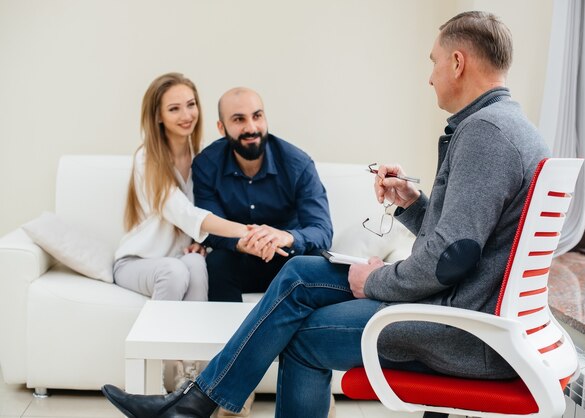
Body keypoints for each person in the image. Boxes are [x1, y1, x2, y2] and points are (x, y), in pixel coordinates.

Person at [102, 11, 551, 418]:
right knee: (300, 271)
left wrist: (374, 279)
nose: (429, 78)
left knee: (300, 336)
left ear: (457, 63)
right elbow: (461, 238)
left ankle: (193, 406)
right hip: (464, 309)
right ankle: (195, 405)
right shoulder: (503, 126)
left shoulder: (484, 135)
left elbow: (452, 258)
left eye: (432, 63)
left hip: (462, 329)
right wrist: (411, 205)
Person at [113, 73, 260, 390]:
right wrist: (249, 231)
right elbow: (186, 213)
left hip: (181, 258)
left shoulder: (202, 160)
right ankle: (159, 375)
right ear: (159, 117)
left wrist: (200, 244)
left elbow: (206, 215)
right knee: (173, 271)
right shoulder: (146, 158)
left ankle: (191, 376)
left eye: (191, 105)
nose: (187, 115)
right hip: (138, 261)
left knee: (194, 265)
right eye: (175, 108)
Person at [191, 87, 333, 302]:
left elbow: (322, 230)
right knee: (218, 261)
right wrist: (245, 242)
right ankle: (227, 335)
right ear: (222, 128)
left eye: (257, 116)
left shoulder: (298, 164)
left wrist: (286, 236)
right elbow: (210, 227)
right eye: (238, 120)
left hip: (287, 258)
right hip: (239, 259)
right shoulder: (206, 164)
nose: (251, 128)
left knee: (314, 261)